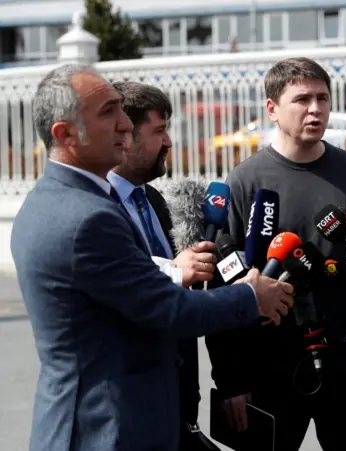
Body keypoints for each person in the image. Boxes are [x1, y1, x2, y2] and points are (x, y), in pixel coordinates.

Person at [10, 63, 294, 451]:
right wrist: (251, 296)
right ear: (65, 133)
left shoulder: (52, 201)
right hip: (109, 430)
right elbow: (168, 310)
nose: (125, 124)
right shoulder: (88, 218)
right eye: (109, 112)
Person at [205, 57, 346, 451]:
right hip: (269, 367)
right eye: (302, 99)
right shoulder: (245, 181)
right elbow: (222, 290)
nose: (315, 109)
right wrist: (231, 381)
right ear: (272, 108)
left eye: (322, 98)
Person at [107, 80, 220, 450]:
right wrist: (174, 270)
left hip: (178, 398)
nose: (169, 142)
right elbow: (119, 282)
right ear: (125, 135)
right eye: (159, 131)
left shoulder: (152, 198)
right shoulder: (96, 207)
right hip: (130, 408)